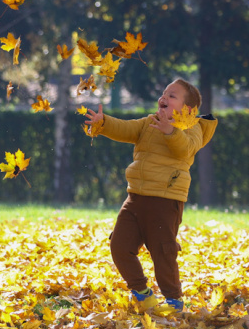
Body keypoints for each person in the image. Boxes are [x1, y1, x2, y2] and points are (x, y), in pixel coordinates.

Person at [84, 78, 217, 313]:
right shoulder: (149, 123)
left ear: (187, 110)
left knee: (163, 252)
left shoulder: (192, 128)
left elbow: (185, 149)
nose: (163, 97)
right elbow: (125, 129)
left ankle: (174, 300)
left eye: (172, 95)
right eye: (164, 93)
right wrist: (103, 123)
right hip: (135, 198)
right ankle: (142, 292)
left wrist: (170, 131)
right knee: (119, 246)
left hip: (165, 201)